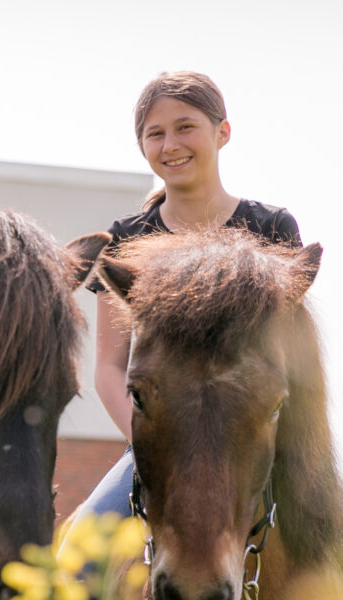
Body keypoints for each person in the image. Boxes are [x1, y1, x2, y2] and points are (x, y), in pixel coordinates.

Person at [78, 70, 302, 524]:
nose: (170, 145)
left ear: (222, 133)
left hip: (256, 449)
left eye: (185, 127)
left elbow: (289, 361)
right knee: (79, 559)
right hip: (158, 450)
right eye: (154, 134)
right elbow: (108, 367)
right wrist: (152, 447)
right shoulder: (125, 237)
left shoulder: (273, 229)